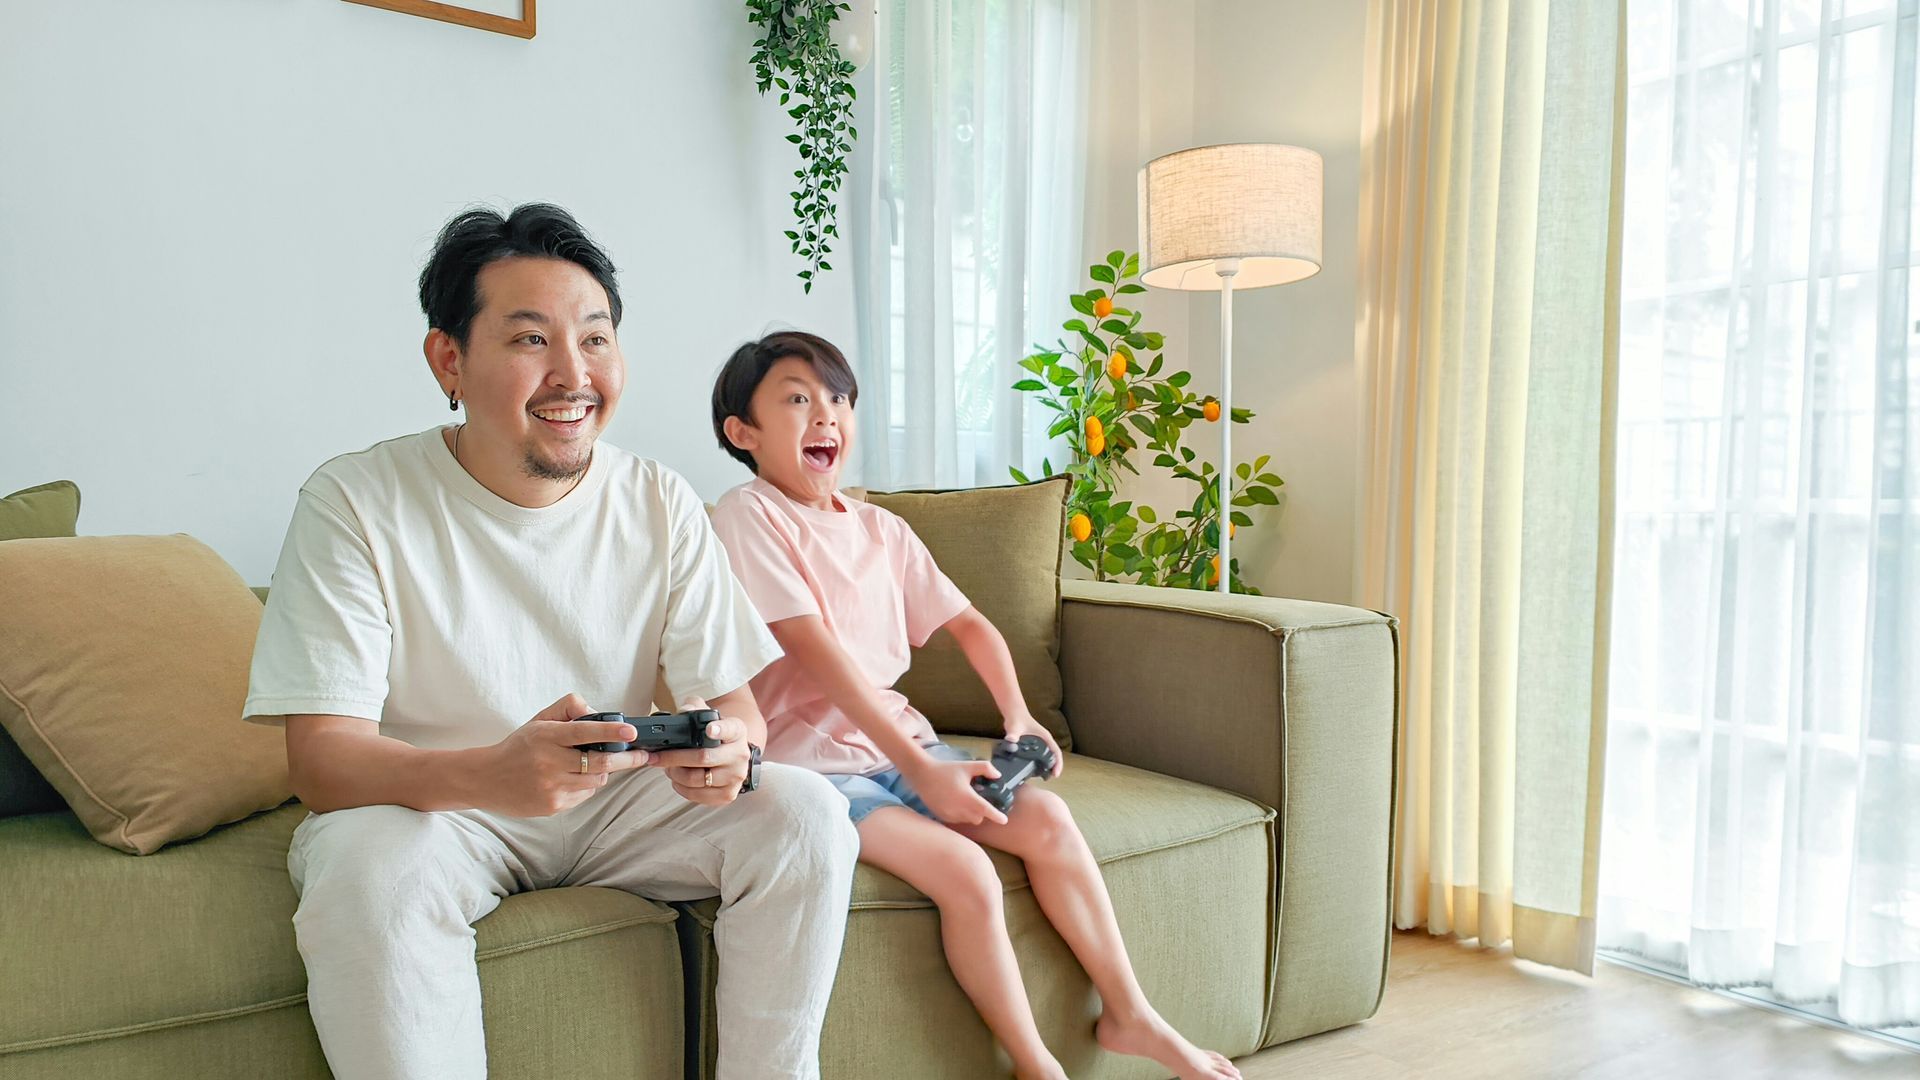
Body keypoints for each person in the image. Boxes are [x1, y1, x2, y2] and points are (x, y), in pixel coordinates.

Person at [243, 206, 858, 1080]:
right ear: (448, 360)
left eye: (596, 340)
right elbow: (321, 761)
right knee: (366, 866)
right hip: (438, 810)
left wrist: (729, 752)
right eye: (531, 340)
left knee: (805, 812)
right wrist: (489, 774)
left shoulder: (660, 499)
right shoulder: (355, 501)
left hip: (620, 801)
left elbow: (739, 716)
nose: (574, 375)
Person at [706, 330, 1241, 1080]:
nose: (825, 416)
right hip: (815, 771)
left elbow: (972, 625)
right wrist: (921, 776)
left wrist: (1017, 717)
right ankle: (1034, 1064)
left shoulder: (881, 529)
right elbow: (815, 654)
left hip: (903, 746)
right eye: (797, 399)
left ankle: (1131, 1014)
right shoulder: (747, 515)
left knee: (1049, 820)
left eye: (838, 398)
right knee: (965, 870)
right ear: (743, 432)